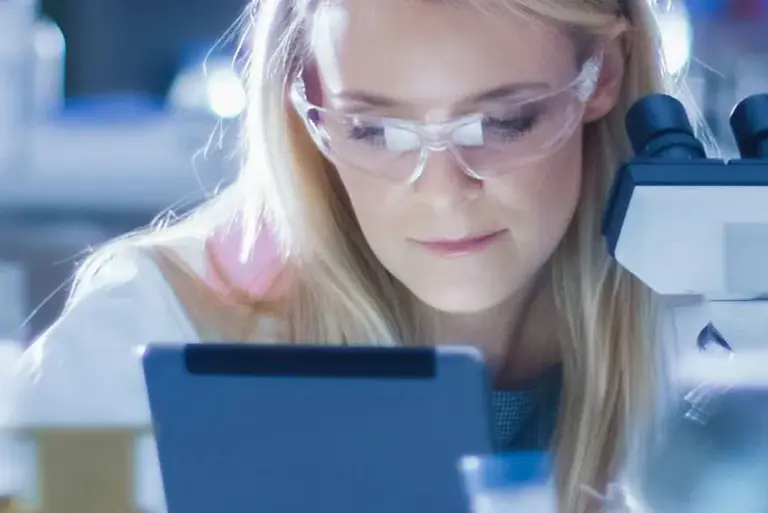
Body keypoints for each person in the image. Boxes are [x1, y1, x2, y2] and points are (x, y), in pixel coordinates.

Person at [5, 0, 710, 511]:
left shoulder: (713, 338)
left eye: (502, 122)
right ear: (304, 102)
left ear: (605, 72)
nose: (442, 192)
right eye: (374, 129)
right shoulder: (142, 340)